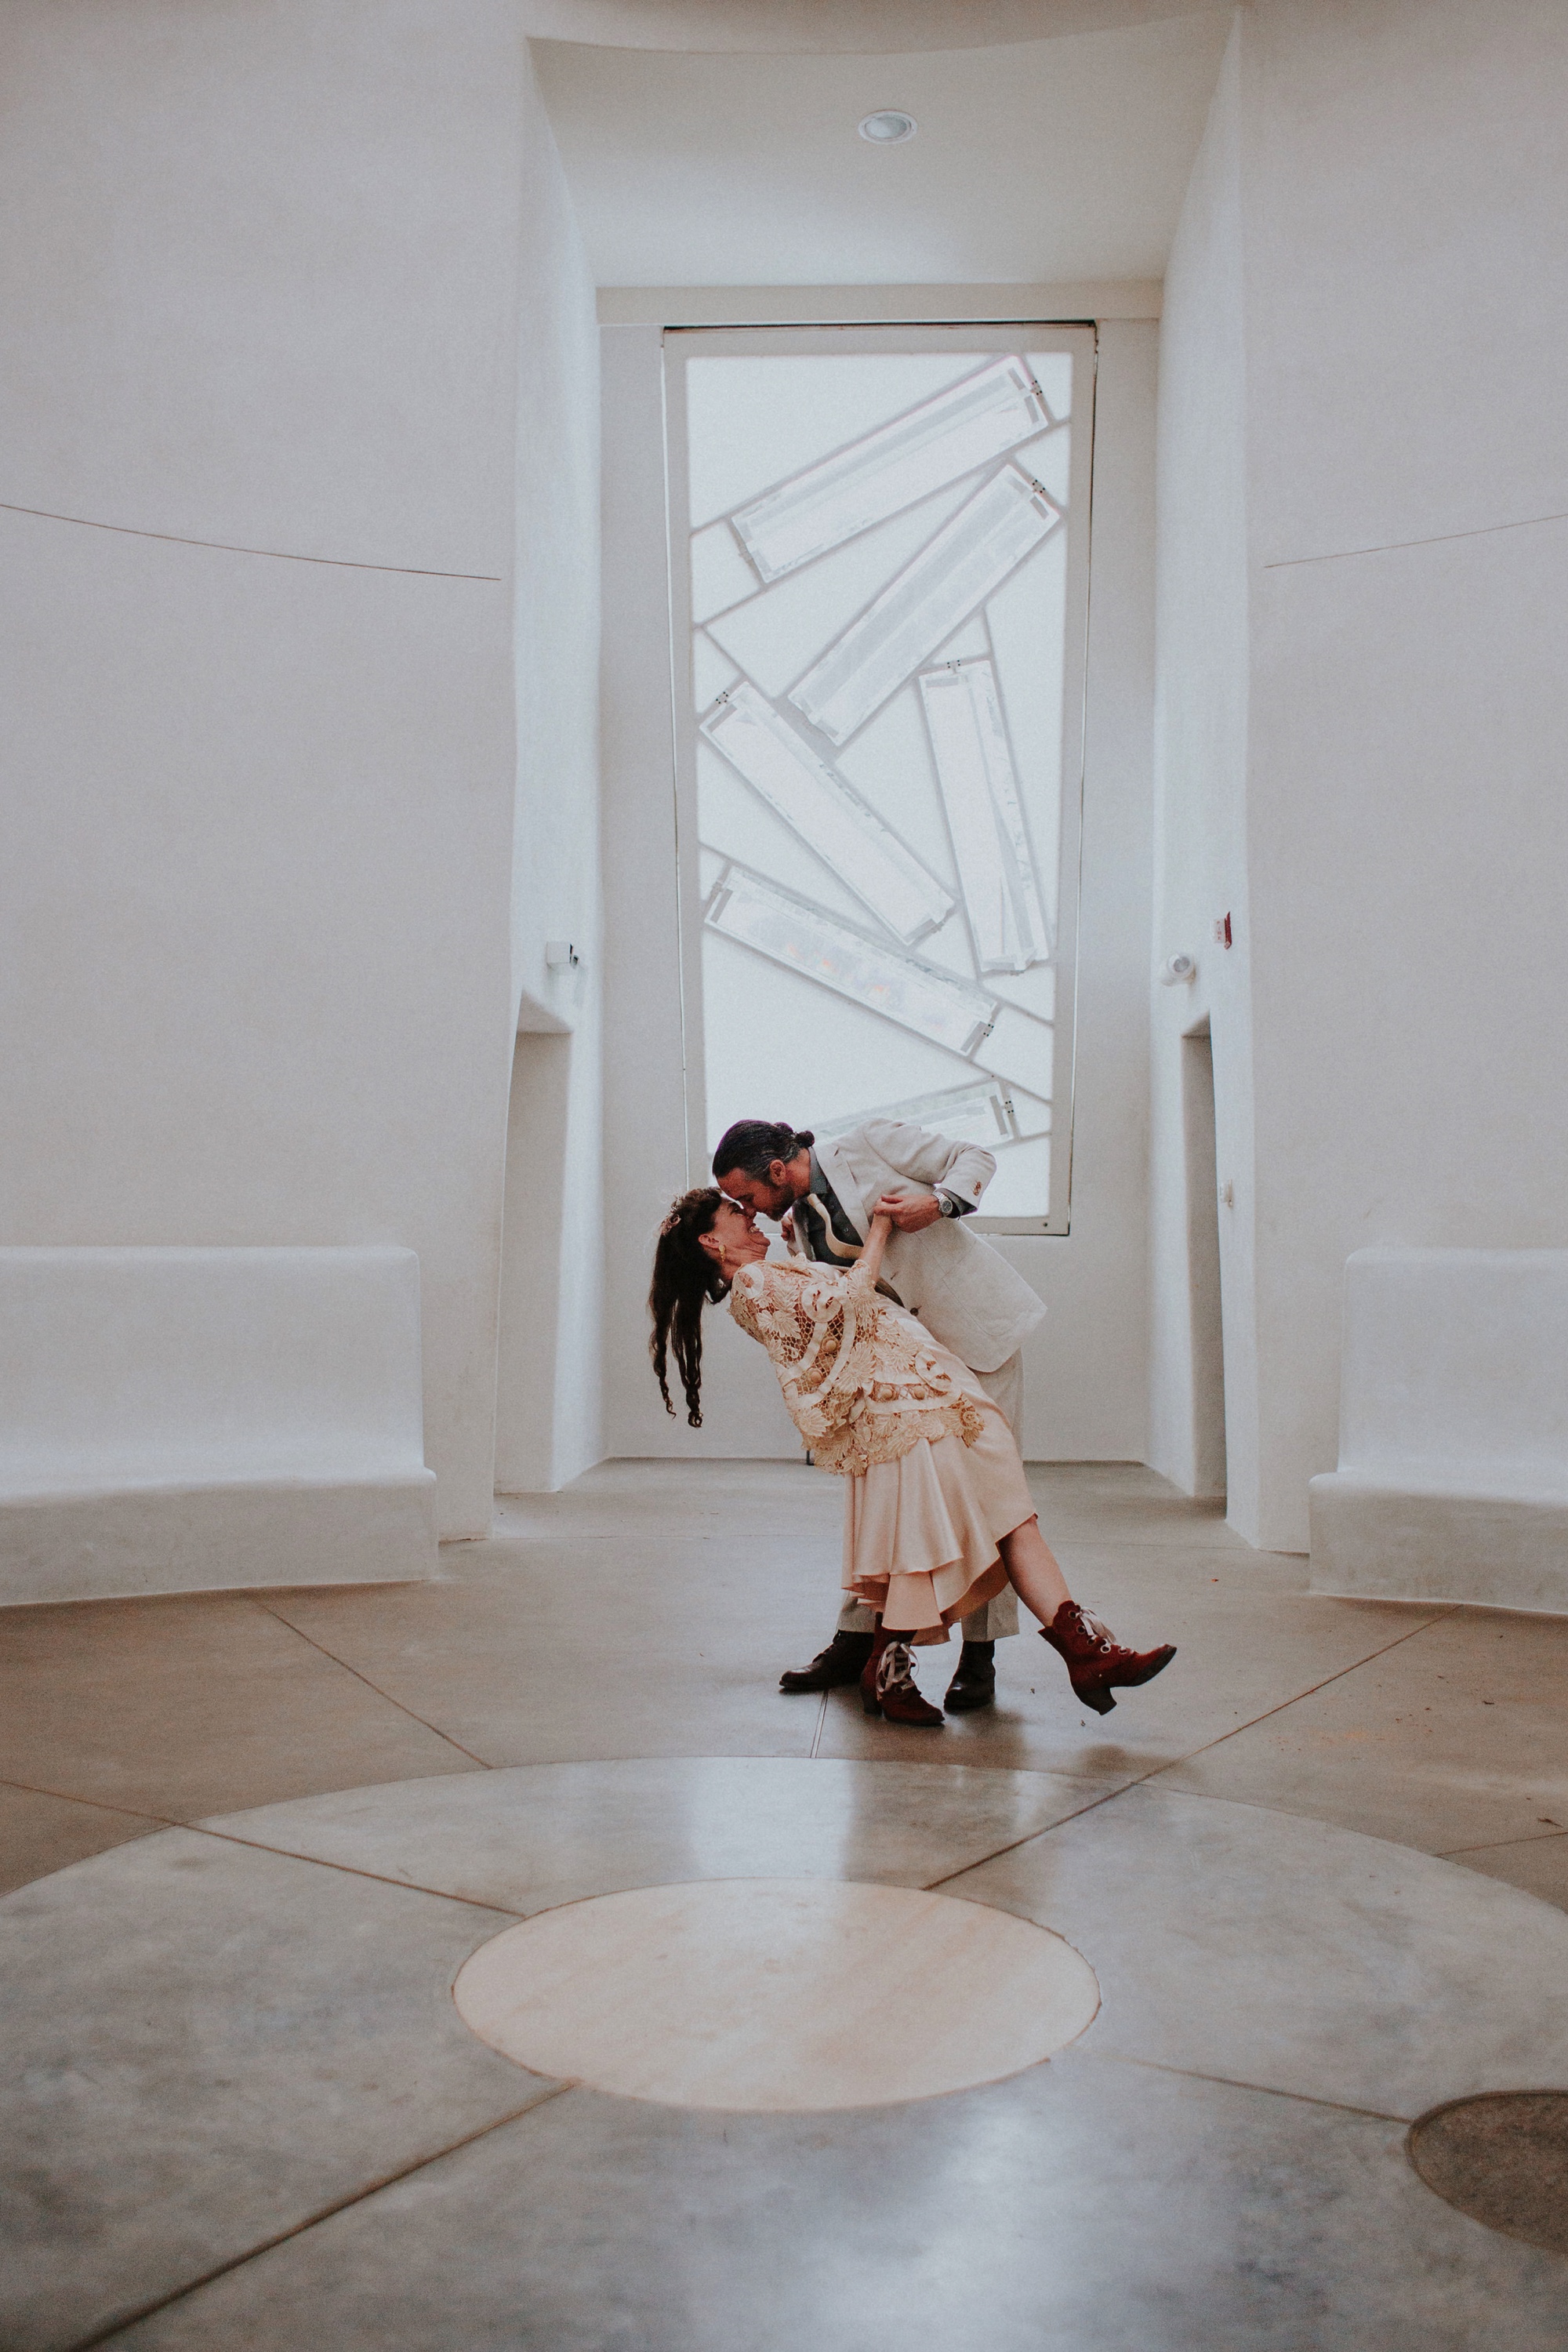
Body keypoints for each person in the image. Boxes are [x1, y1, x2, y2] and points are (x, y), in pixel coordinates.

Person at [648, 1186, 1175, 1729]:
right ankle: (903, 1668)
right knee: (952, 1536)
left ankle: (1083, 1655)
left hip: (924, 1395)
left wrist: (799, 1252)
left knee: (995, 1522)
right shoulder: (754, 1282)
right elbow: (843, 1305)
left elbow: (823, 1312)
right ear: (712, 1240)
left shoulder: (764, 1279)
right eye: (737, 1215)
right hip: (905, 1410)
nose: (753, 1218)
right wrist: (880, 1227)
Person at [710, 1116, 1042, 1715]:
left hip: (976, 1335)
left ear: (778, 1171)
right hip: (903, 1367)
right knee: (881, 1498)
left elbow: (974, 1155)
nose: (748, 1210)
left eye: (748, 1196)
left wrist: (938, 1204)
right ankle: (857, 1641)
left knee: (994, 1493)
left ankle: (981, 1653)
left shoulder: (866, 1143)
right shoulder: (798, 1226)